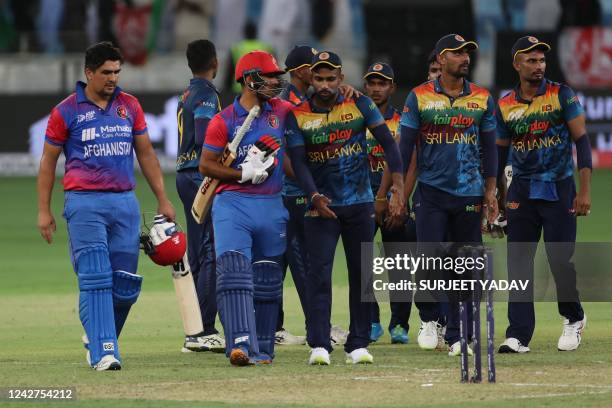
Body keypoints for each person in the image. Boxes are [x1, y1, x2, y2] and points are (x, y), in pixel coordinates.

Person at [37, 41, 175, 371]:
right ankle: (104, 352)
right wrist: (44, 209)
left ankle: (99, 334)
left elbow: (146, 154)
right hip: (85, 203)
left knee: (126, 284)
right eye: (106, 72)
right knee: (97, 277)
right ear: (89, 73)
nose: (113, 78)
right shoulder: (66, 110)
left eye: (117, 71)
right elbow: (47, 162)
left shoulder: (130, 105)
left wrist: (163, 198)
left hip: (125, 203)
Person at [286, 51, 405, 365]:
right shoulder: (297, 115)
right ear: (311, 80)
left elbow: (390, 146)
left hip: (359, 204)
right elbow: (298, 163)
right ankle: (319, 344)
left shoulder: (360, 104)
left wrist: (399, 186)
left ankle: (358, 343)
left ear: (341, 79)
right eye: (319, 79)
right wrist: (313, 197)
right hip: (320, 209)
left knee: (362, 275)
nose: (325, 85)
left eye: (331, 79)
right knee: (319, 275)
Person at [399, 34, 498, 356]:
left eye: (468, 53)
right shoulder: (419, 97)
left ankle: (458, 333)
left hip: (469, 193)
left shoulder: (483, 98)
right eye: (457, 53)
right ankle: (429, 319)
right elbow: (405, 148)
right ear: (440, 60)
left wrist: (491, 190)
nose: (465, 58)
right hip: (432, 191)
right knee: (429, 258)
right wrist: (401, 190)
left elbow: (490, 149)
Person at [496, 36, 591, 353]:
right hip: (521, 191)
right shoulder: (505, 104)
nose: (538, 66)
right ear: (516, 64)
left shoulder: (561, 94)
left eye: (541, 61)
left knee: (559, 259)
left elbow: (582, 142)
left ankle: (573, 317)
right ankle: (519, 334)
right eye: (531, 60)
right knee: (518, 264)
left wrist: (585, 191)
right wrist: (496, 198)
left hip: (559, 188)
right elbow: (499, 156)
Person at [199, 50, 290, 366]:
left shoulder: (283, 111)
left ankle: (263, 348)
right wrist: (242, 173)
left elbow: (315, 111)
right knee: (235, 275)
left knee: (267, 278)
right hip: (233, 205)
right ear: (251, 79)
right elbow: (206, 166)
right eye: (271, 76)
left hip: (272, 204)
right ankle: (239, 345)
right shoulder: (222, 121)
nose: (277, 82)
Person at [276, 45, 351, 346]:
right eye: (311, 67)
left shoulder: (306, 100)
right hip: (296, 193)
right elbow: (285, 155)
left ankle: (275, 326)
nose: (318, 72)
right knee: (305, 262)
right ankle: (317, 329)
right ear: (299, 72)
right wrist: (313, 184)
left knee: (289, 260)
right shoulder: (288, 104)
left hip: (302, 191)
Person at [175, 39, 225, 353]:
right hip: (199, 175)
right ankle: (203, 329)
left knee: (198, 250)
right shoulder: (206, 95)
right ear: (216, 62)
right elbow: (208, 137)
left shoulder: (188, 93)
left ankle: (196, 327)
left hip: (185, 174)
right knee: (209, 250)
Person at [362, 62, 413, 345]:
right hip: (362, 202)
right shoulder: (358, 118)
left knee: (399, 265)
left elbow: (407, 163)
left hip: (393, 202)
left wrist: (398, 197)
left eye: (383, 83)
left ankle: (400, 324)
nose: (377, 88)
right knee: (363, 263)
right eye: (372, 83)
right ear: (365, 86)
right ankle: (370, 321)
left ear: (392, 87)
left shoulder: (402, 121)